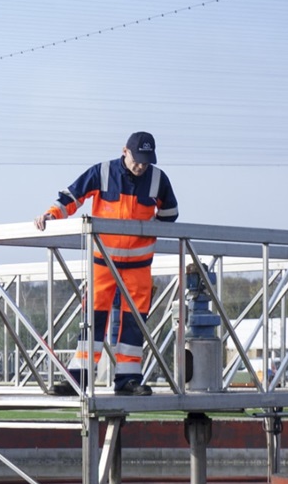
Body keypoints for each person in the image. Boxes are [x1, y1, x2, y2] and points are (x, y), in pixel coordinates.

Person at [34, 132, 179, 395]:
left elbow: (170, 213)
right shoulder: (102, 173)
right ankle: (79, 378)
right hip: (103, 263)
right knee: (93, 318)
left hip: (139, 267)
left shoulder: (158, 179)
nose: (141, 166)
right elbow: (72, 197)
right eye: (137, 160)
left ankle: (128, 380)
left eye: (146, 161)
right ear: (125, 151)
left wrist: (149, 229)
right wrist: (50, 214)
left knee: (134, 322)